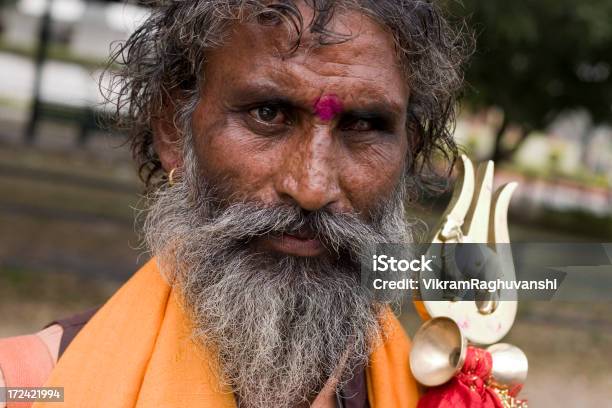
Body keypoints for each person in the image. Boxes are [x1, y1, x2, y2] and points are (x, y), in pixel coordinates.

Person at [0, 1, 468, 407]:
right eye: (268, 114)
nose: (311, 186)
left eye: (362, 124)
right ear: (173, 130)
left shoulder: (439, 395)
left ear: (409, 151)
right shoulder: (28, 387)